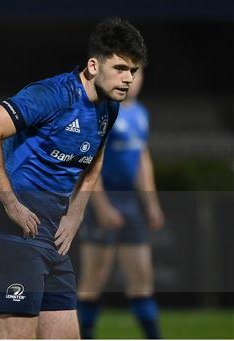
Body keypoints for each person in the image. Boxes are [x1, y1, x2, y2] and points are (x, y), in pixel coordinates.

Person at [0, 18, 147, 339]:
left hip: (51, 239)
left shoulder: (109, 108)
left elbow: (95, 160)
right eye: (120, 68)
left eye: (132, 71)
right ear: (93, 66)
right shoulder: (51, 95)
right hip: (11, 236)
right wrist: (10, 202)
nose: (127, 79)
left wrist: (76, 214)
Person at [77, 69, 164, 339]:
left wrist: (151, 203)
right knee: (93, 279)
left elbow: (142, 159)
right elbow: (90, 161)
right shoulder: (103, 112)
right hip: (103, 200)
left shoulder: (141, 114)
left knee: (141, 278)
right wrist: (101, 206)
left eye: (137, 73)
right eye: (126, 72)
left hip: (130, 203)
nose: (131, 79)